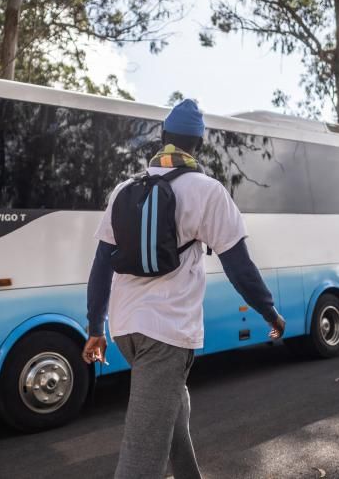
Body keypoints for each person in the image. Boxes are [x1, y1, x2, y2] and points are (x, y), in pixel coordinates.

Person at [82, 99, 286, 479]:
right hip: (167, 334)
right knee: (142, 455)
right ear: (198, 144)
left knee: (173, 416)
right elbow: (239, 266)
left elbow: (100, 267)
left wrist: (96, 328)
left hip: (127, 329)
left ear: (163, 139)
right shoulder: (206, 191)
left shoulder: (125, 189)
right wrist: (270, 312)